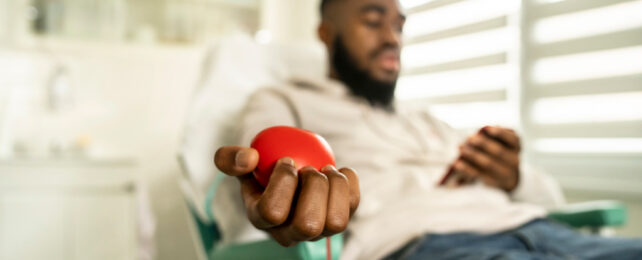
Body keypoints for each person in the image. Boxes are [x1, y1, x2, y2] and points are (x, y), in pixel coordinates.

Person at [213, 0, 642, 259]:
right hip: (424, 246)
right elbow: (265, 187)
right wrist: (279, 207)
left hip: (544, 231)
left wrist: (512, 177)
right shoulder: (284, 100)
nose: (392, 37)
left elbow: (550, 200)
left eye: (399, 25)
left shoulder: (426, 119)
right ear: (327, 33)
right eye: (372, 20)